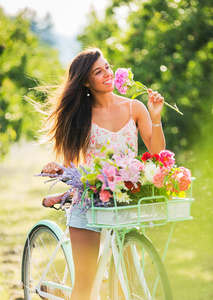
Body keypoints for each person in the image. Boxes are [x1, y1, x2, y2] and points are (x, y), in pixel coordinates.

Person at [41, 47, 165, 300]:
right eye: (98, 71)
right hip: (89, 205)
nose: (107, 73)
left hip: (124, 202)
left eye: (107, 66)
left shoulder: (134, 108)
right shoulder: (80, 115)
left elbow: (156, 151)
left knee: (127, 284)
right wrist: (57, 169)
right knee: (85, 287)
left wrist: (155, 117)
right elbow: (70, 164)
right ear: (86, 81)